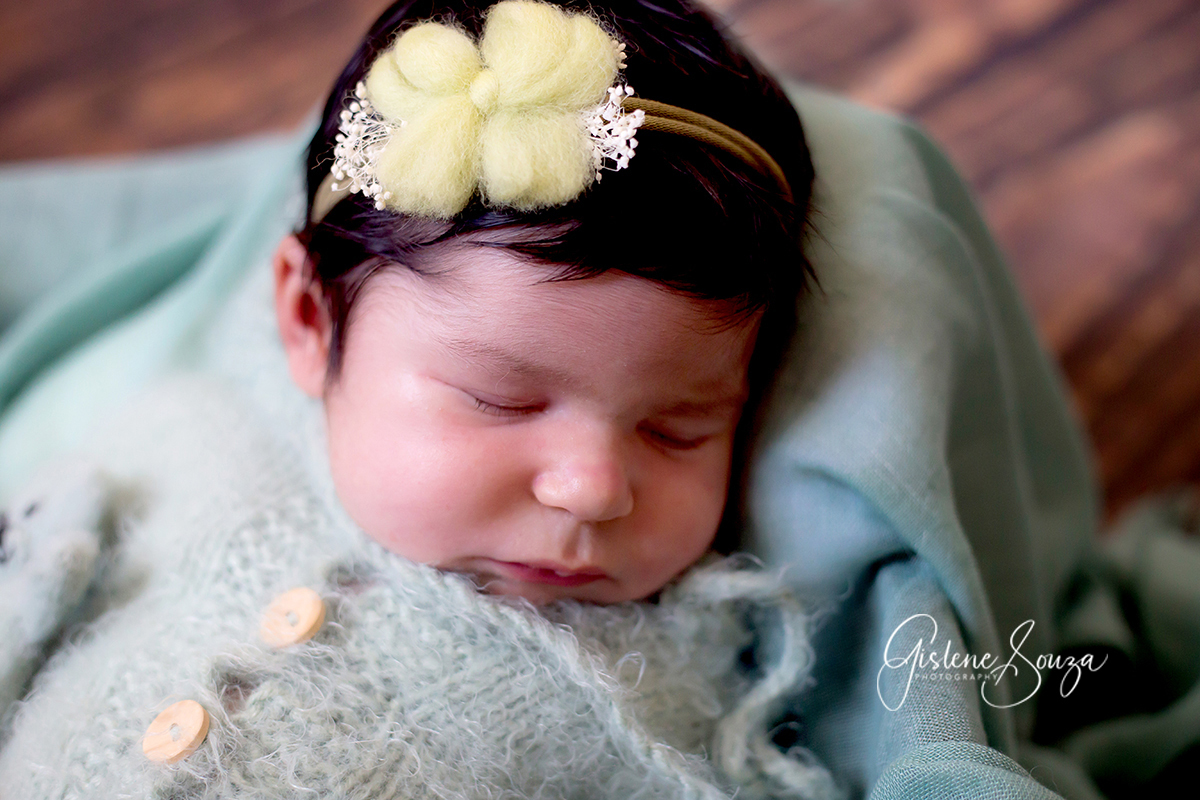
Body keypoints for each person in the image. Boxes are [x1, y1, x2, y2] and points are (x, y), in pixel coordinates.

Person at [0, 1, 841, 797]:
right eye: (500, 400)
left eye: (677, 429)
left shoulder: (670, 697)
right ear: (309, 321)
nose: (593, 490)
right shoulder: (188, 443)